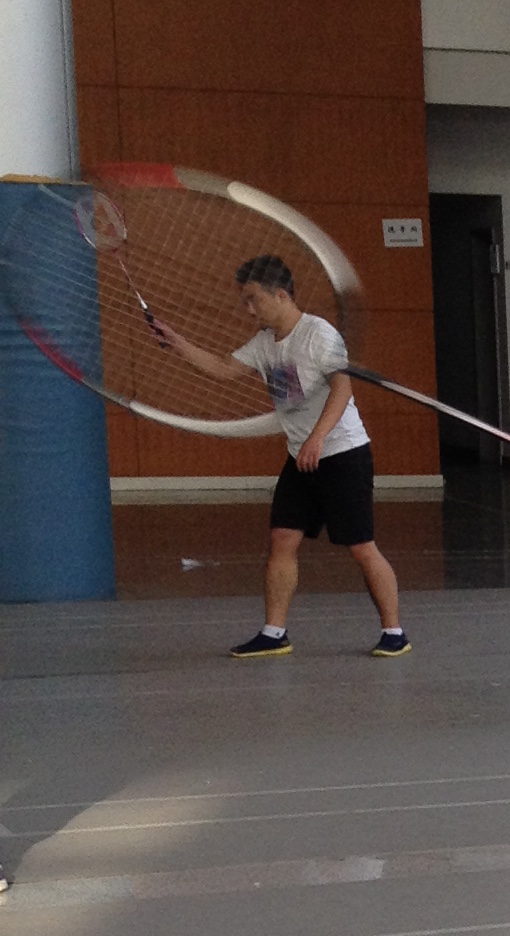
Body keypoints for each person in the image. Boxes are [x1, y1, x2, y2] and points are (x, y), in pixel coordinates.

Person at [154, 255, 407, 660]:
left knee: (361, 546)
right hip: (301, 456)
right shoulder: (264, 343)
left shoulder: (318, 334)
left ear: (281, 295)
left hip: (342, 453)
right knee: (282, 540)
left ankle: (394, 632)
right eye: (245, 301)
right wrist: (178, 343)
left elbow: (342, 388)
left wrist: (317, 439)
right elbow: (223, 368)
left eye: (253, 299)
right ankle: (274, 633)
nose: (248, 309)